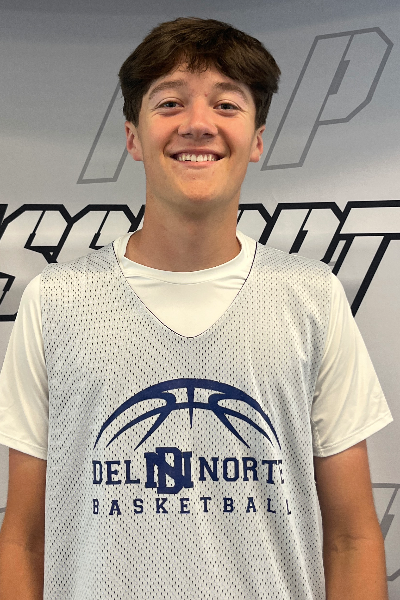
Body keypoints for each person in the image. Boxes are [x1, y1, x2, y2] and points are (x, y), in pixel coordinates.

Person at [0, 17, 393, 600]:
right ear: (133, 137)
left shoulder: (311, 297)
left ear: (257, 139)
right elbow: (24, 540)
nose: (198, 124)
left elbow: (352, 538)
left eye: (227, 105)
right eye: (170, 103)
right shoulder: (56, 301)